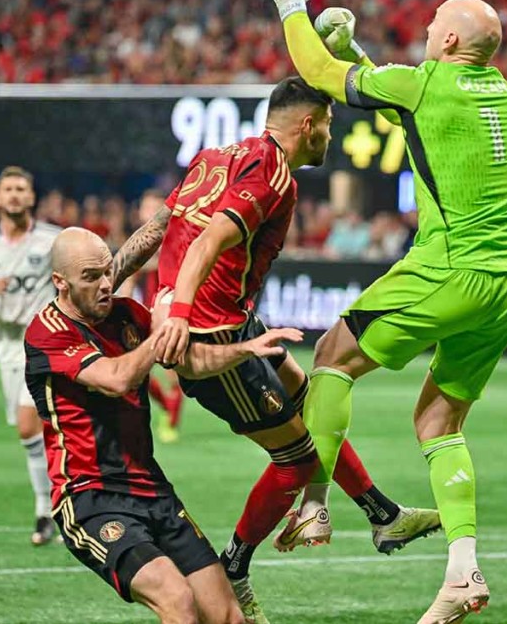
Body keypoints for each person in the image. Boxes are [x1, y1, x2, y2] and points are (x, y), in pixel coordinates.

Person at [115, 77, 440, 624]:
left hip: (231, 318)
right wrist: (182, 314)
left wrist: (110, 276)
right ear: (308, 125)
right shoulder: (274, 174)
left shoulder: (217, 156)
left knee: (311, 397)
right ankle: (235, 568)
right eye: (330, 126)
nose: (331, 137)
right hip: (212, 337)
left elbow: (159, 226)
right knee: (298, 462)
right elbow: (209, 239)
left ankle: (383, 514)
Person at [268, 0, 507, 622]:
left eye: (430, 27)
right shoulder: (501, 92)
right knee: (439, 422)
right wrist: (357, 52)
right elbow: (408, 109)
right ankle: (463, 572)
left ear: (443, 38)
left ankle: (316, 503)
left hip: (451, 268)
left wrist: (290, 1)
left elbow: (321, 76)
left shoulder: (428, 82)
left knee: (332, 354)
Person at [25, 227, 300, 624]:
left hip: (154, 491)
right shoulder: (46, 332)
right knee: (177, 602)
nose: (105, 284)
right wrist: (162, 331)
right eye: (91, 277)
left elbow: (188, 360)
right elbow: (117, 378)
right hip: (91, 498)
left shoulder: (128, 317)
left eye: (107, 272)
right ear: (59, 283)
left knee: (228, 617)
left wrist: (243, 351)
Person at [0, 166, 62, 544]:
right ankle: (54, 506)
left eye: (22, 188)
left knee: (28, 425)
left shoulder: (53, 241)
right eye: (9, 189)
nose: (16, 194)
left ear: (32, 197)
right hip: (7, 348)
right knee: (34, 432)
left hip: (46, 344)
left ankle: (45, 512)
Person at [119, 188, 184, 444]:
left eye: (153, 207)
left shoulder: (174, 237)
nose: (148, 213)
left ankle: (171, 419)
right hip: (144, 310)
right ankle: (167, 406)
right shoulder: (138, 238)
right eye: (146, 207)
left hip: (169, 308)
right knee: (138, 370)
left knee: (172, 371)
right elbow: (130, 274)